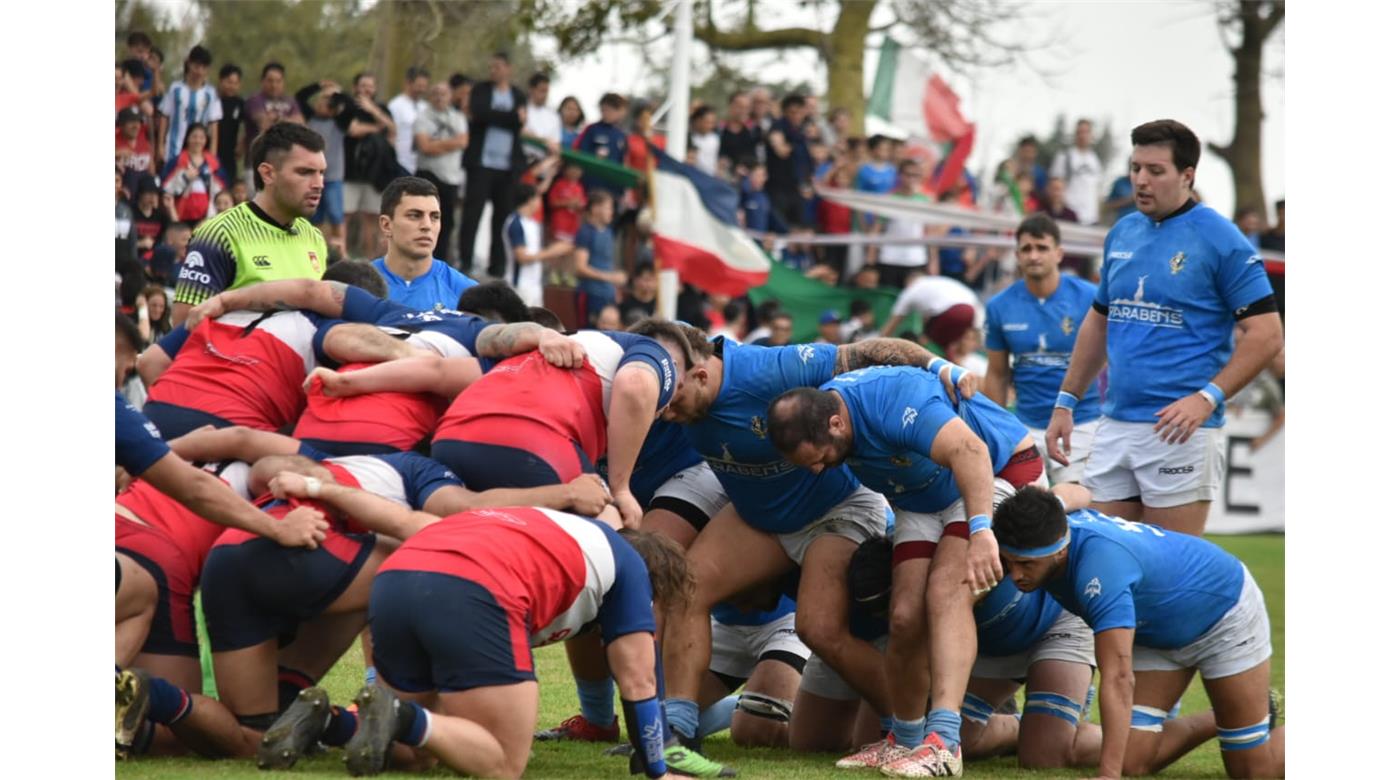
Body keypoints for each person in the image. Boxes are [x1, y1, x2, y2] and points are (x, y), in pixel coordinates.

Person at [655, 331, 974, 757]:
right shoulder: (664, 385)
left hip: (835, 508)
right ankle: (674, 730)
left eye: (673, 401)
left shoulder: (770, 369)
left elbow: (867, 351)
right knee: (686, 587)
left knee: (819, 628)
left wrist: (940, 366)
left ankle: (905, 729)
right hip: (760, 517)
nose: (666, 412)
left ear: (698, 375)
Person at [263, 493, 705, 778]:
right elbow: (639, 680)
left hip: (398, 576)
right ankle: (397, 715)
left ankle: (332, 722)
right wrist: (657, 768)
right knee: (502, 762)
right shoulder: (628, 566)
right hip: (475, 586)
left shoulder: (552, 524)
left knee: (419, 754)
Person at [766, 366, 1044, 776]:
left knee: (947, 592)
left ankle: (946, 744)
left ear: (837, 423)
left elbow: (971, 451)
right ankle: (906, 738)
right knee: (904, 614)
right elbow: (882, 348)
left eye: (820, 457)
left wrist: (982, 530)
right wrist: (936, 363)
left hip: (992, 471)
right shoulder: (826, 406)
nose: (818, 469)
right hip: (920, 496)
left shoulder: (894, 403)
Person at [1045, 119, 1283, 536]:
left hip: (1180, 432)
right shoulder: (1122, 232)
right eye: (1135, 168)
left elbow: (1267, 334)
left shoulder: (1222, 240)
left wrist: (1207, 398)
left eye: (1155, 171)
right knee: (1099, 561)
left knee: (1167, 578)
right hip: (1115, 422)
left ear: (1187, 175)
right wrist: (1067, 400)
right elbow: (1100, 321)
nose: (1141, 180)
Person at [993, 487, 1284, 779]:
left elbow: (1118, 676)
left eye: (1027, 564)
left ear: (1060, 550)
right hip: (1157, 632)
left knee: (1254, 772)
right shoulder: (1054, 526)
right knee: (1132, 762)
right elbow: (1078, 490)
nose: (1016, 574)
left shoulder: (1100, 571)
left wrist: (1108, 774)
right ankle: (1224, 716)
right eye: (1010, 561)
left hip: (1224, 613)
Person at [839, 535, 1102, 770]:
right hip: (989, 645)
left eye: (890, 608)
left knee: (1047, 755)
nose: (894, 618)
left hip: (1053, 625)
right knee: (948, 738)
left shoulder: (970, 545)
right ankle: (1025, 726)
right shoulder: (904, 550)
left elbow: (1045, 520)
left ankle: (1134, 740)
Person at [169, 121, 329, 325]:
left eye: (321, 172)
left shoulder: (313, 236)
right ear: (267, 173)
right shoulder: (220, 234)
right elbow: (184, 323)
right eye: (305, 172)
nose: (319, 184)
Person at [984, 214, 1102, 485]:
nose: (1034, 256)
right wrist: (994, 429)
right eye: (1026, 249)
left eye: (1042, 247)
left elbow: (1110, 357)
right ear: (1016, 255)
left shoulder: (1089, 297)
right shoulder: (999, 306)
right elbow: (997, 374)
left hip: (1081, 422)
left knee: (1076, 505)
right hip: (1027, 425)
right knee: (1026, 512)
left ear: (1058, 253)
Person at [460, 52, 527, 278]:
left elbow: (519, 123)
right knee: (473, 214)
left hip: (507, 168)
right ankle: (466, 261)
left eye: (498, 67)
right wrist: (510, 118)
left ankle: (497, 267)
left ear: (508, 68)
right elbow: (479, 113)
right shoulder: (481, 90)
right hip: (481, 164)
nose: (493, 71)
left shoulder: (518, 95)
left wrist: (499, 117)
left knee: (502, 218)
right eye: (491, 67)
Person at [370, 176, 476, 311]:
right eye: (415, 215)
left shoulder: (467, 293)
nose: (427, 225)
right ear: (386, 225)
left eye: (434, 217)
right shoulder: (357, 288)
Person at [342, 73, 398, 261]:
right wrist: (376, 127)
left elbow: (392, 129)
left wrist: (374, 111)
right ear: (355, 87)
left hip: (375, 175)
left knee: (372, 218)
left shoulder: (382, 108)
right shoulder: (348, 107)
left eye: (370, 86)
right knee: (345, 215)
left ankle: (369, 260)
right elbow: (353, 129)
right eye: (363, 86)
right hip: (350, 172)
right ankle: (343, 257)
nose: (366, 90)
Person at [412, 81, 468, 263]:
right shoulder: (422, 117)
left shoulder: (458, 117)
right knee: (422, 220)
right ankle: (420, 259)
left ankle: (440, 262)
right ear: (430, 96)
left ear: (450, 96)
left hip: (451, 178)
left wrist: (438, 144)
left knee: (446, 223)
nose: (439, 97)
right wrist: (452, 143)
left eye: (443, 94)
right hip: (428, 175)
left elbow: (464, 142)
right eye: (435, 93)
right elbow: (425, 146)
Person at [296, 79, 350, 256]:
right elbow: (300, 96)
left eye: (328, 100)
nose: (324, 103)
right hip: (312, 176)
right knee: (315, 217)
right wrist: (319, 86)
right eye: (322, 99)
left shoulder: (340, 121)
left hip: (333, 177)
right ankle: (316, 251)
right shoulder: (311, 117)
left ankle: (341, 253)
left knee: (336, 215)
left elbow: (352, 106)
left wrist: (336, 94)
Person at [867, 160, 936, 289]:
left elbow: (930, 233)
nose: (911, 179)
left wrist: (933, 261)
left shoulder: (926, 201)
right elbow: (876, 229)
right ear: (900, 175)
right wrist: (871, 256)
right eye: (907, 174)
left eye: (915, 175)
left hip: (916, 259)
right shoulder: (889, 200)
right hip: (889, 258)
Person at [503, 183, 573, 308]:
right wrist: (554, 251)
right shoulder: (516, 223)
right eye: (538, 198)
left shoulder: (533, 224)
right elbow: (522, 257)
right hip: (519, 285)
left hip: (535, 285)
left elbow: (536, 254)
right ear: (530, 200)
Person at [158, 45, 222, 169]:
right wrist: (160, 145)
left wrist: (212, 153)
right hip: (173, 148)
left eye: (204, 67)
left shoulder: (210, 93)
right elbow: (164, 117)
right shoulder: (175, 89)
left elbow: (213, 125)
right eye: (197, 66)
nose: (199, 71)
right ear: (189, 64)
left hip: (199, 151)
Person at [573, 190, 626, 325]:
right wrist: (609, 277)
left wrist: (615, 286)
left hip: (608, 294)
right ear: (595, 208)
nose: (611, 212)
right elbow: (580, 268)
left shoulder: (608, 232)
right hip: (590, 293)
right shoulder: (586, 232)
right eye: (608, 208)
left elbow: (608, 262)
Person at [243, 63, 305, 177]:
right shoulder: (254, 100)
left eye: (278, 81)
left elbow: (301, 124)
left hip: (286, 165)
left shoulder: (290, 101)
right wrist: (288, 121)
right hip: (258, 164)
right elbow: (264, 124)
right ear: (262, 81)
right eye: (270, 81)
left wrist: (278, 118)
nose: (274, 85)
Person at [879, 271, 982, 338]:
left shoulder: (911, 289)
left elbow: (892, 324)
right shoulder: (939, 281)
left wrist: (875, 347)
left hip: (951, 313)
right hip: (971, 312)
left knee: (930, 345)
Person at [160, 123, 223, 222]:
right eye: (194, 137)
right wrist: (183, 178)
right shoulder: (177, 161)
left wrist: (208, 178)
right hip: (181, 215)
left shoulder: (213, 163)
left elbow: (222, 188)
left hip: (207, 216)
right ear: (187, 138)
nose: (198, 141)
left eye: (201, 137)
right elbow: (166, 188)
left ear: (206, 140)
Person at [574, 93, 630, 200]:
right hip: (591, 185)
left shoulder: (621, 135)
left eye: (609, 110)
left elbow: (622, 163)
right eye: (603, 109)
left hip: (612, 188)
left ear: (617, 111)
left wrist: (622, 190)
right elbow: (580, 153)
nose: (605, 113)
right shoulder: (591, 129)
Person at [1049, 119, 1103, 226]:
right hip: (1070, 216)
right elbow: (1055, 186)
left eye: (1086, 132)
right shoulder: (1065, 157)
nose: (1082, 135)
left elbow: (1097, 190)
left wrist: (1098, 214)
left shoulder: (1095, 160)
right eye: (1080, 132)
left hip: (1091, 218)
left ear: (1091, 135)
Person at [386, 66, 430, 174]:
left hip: (421, 165)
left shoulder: (426, 107)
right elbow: (390, 133)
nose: (422, 90)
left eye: (425, 86)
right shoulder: (395, 105)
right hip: (401, 163)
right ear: (408, 83)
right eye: (419, 86)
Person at [213, 64, 243, 187]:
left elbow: (247, 126)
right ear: (221, 81)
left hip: (230, 155)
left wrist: (242, 145)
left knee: (229, 186)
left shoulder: (240, 103)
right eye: (229, 82)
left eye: (235, 83)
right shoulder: (213, 100)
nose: (232, 86)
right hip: (212, 151)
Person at [522, 72, 562, 158]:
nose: (545, 95)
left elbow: (556, 144)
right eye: (542, 90)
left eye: (547, 91)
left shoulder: (553, 116)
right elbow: (521, 132)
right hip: (521, 159)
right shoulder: (521, 108)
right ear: (531, 89)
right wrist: (544, 140)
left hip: (544, 163)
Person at [690, 104, 720, 176]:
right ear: (697, 121)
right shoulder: (690, 138)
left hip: (710, 178)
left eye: (712, 123)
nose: (710, 126)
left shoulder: (715, 139)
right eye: (707, 122)